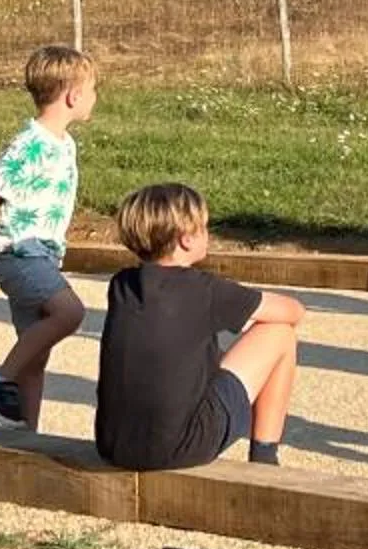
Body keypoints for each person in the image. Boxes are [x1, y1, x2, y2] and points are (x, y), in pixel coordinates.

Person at [92, 183, 304, 470]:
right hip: (182, 447)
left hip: (113, 446)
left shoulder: (122, 285)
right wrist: (248, 314)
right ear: (186, 239)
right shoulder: (205, 291)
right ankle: (264, 458)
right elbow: (293, 311)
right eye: (204, 227)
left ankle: (264, 457)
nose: (209, 234)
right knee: (280, 334)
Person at [0, 44, 96, 429]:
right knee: (70, 312)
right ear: (73, 95)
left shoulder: (63, 143)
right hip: (17, 250)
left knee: (35, 358)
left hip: (42, 254)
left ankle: (26, 435)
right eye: (92, 90)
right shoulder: (31, 143)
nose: (94, 99)